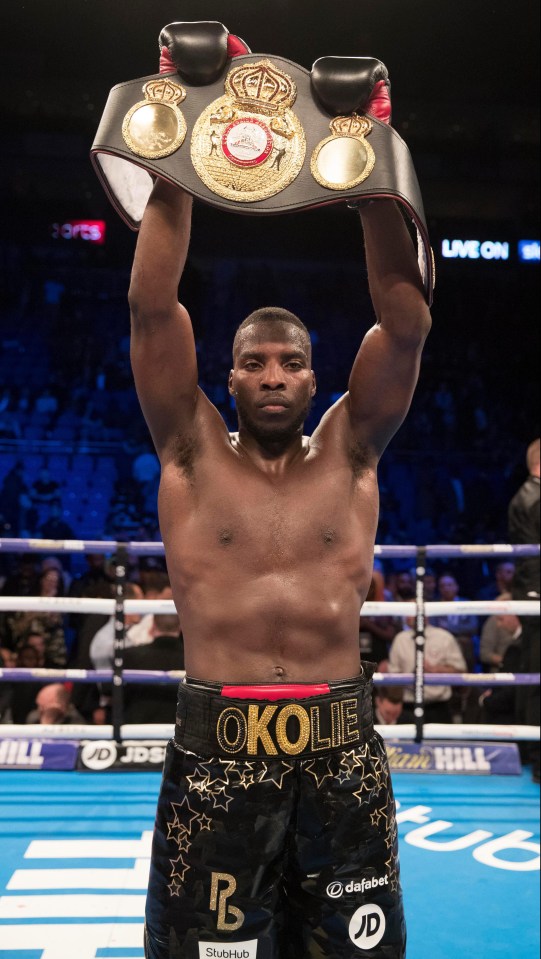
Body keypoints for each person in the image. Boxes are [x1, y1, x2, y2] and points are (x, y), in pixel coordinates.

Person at [129, 41, 431, 959]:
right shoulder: (187, 450)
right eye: (254, 361)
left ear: (313, 377)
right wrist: (178, 146)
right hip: (215, 758)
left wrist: (371, 158)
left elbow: (405, 320)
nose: (272, 375)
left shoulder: (351, 450)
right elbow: (151, 306)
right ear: (227, 375)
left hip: (340, 756)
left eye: (290, 362)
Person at [508, 438, 540, 783]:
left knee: (533, 675)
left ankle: (532, 752)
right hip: (536, 594)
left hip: (531, 593)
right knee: (535, 677)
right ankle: (536, 756)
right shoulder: (535, 497)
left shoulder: (525, 494)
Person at [388, 604, 467, 723]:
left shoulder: (444, 637)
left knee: (439, 741)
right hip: (408, 707)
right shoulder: (400, 640)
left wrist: (437, 670)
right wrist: (408, 678)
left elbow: (461, 672)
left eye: (412, 611)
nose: (409, 616)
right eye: (408, 612)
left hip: (438, 707)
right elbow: (392, 678)